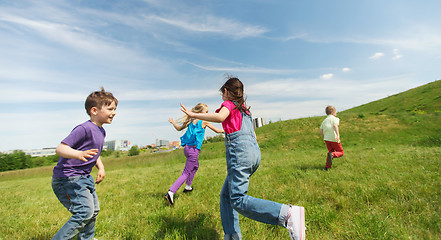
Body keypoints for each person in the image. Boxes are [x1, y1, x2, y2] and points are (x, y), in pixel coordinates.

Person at [180, 77, 306, 240]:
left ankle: (287, 214)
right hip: (253, 154)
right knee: (226, 196)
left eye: (222, 94)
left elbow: (220, 117)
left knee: (238, 199)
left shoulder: (228, 104)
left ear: (226, 92)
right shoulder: (245, 109)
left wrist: (192, 114)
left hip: (240, 154)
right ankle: (232, 236)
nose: (222, 97)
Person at [51, 87, 118, 240]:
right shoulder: (84, 129)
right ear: (94, 110)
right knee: (84, 212)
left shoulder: (101, 131)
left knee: (93, 211)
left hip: (83, 177)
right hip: (68, 178)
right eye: (110, 109)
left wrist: (100, 166)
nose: (114, 112)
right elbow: (60, 148)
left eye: (114, 109)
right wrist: (78, 154)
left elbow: (94, 152)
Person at [165, 103, 224, 205]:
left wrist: (173, 122)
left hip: (187, 149)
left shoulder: (190, 121)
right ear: (200, 112)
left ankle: (188, 187)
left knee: (195, 166)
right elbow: (217, 130)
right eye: (206, 112)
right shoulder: (204, 121)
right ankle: (171, 192)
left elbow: (178, 128)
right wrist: (229, 130)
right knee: (185, 173)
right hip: (194, 151)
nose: (207, 114)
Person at [319, 105, 344, 170]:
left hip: (327, 139)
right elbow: (335, 126)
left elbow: (320, 130)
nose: (336, 113)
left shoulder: (324, 121)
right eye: (335, 112)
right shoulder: (335, 119)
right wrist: (338, 135)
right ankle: (332, 155)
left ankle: (327, 167)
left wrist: (324, 136)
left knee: (330, 152)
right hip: (334, 139)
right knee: (341, 152)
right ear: (332, 112)